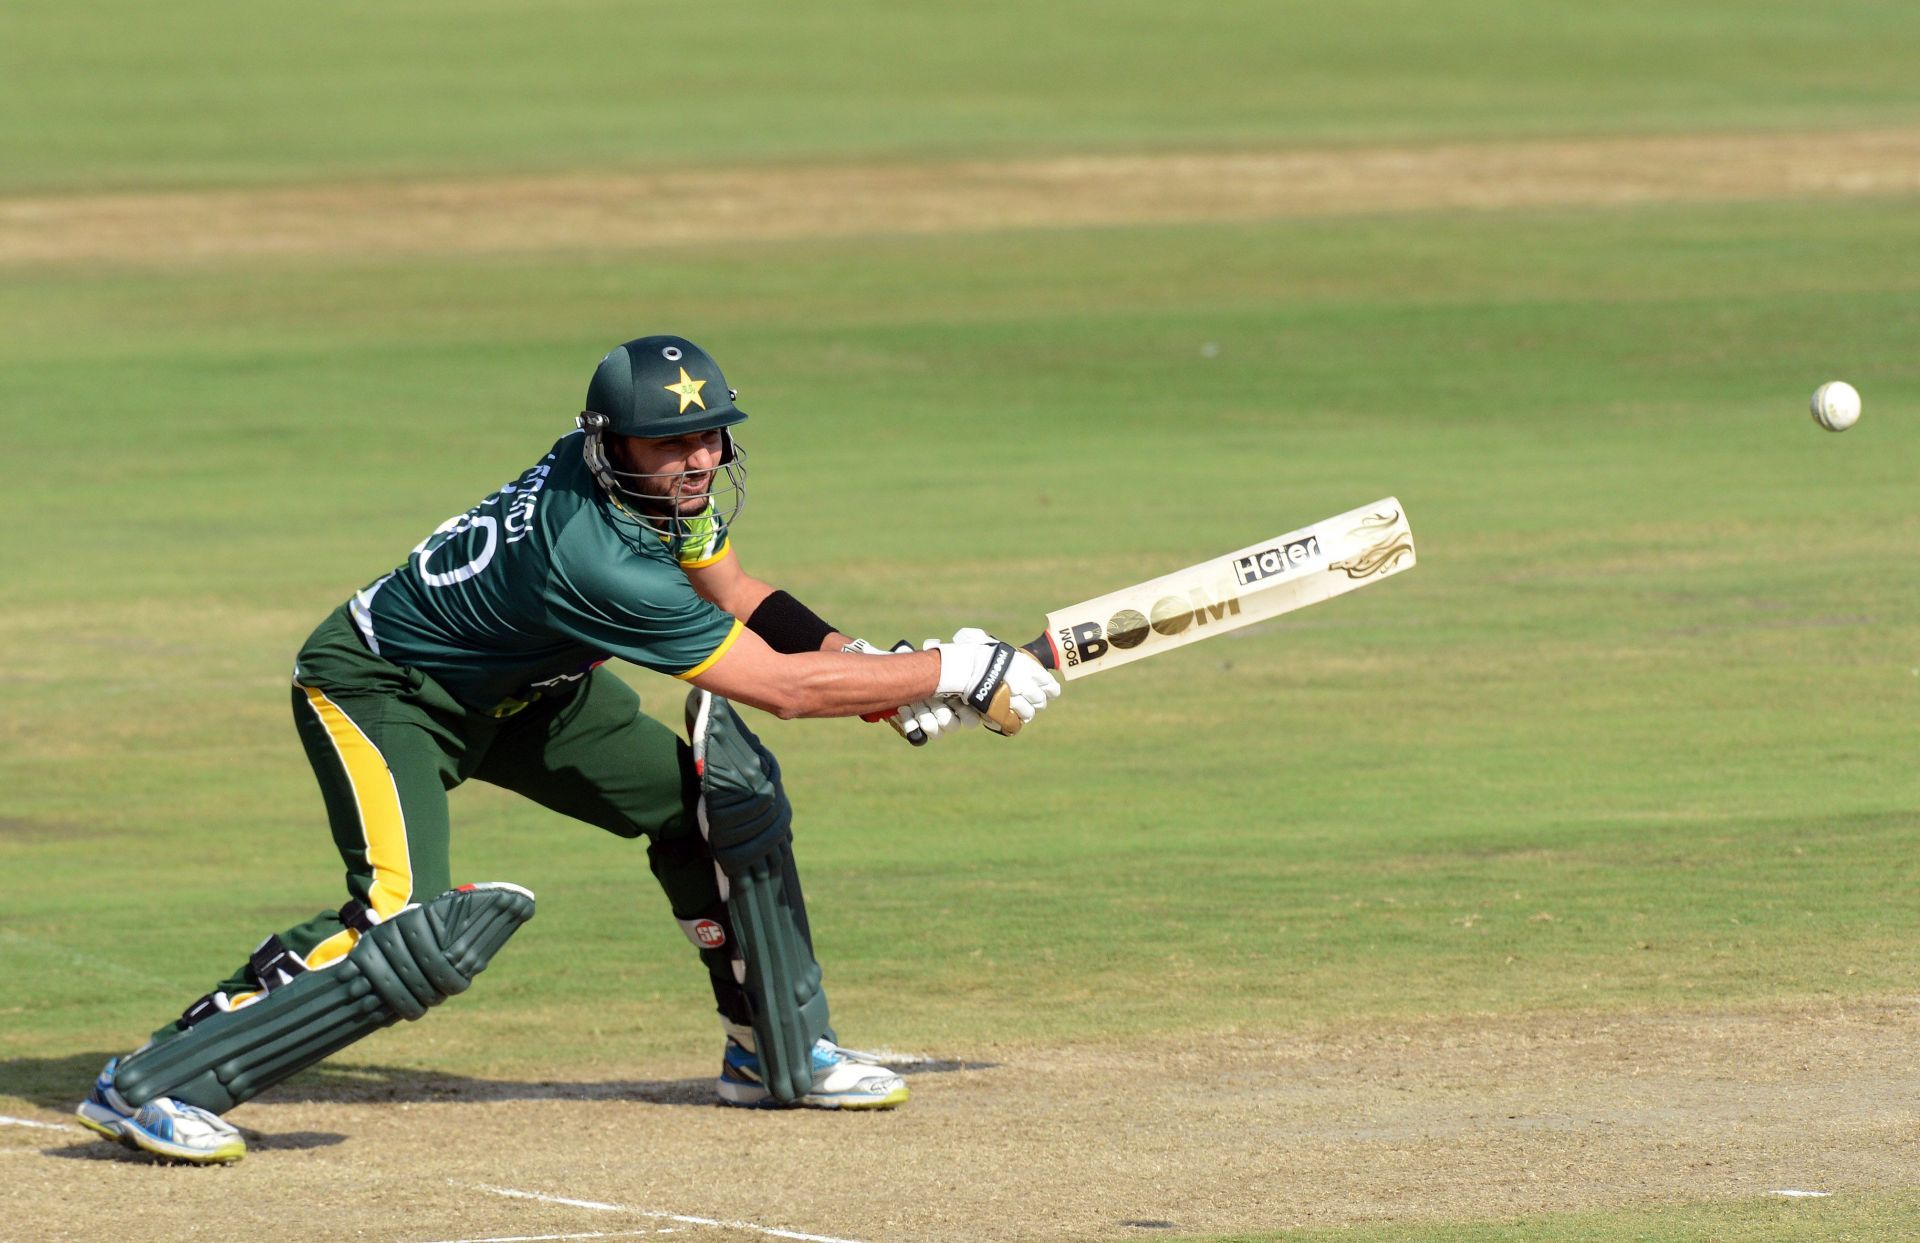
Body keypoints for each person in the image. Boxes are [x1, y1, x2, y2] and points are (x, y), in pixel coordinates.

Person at [75, 334, 1060, 1164]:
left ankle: (772, 1051)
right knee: (400, 924)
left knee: (709, 807)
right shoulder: (593, 555)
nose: (699, 457)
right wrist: (945, 672)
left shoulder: (646, 487)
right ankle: (155, 1078)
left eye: (710, 434)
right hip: (383, 690)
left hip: (530, 690)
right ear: (613, 444)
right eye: (671, 440)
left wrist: (873, 664)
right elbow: (781, 691)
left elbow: (741, 595)